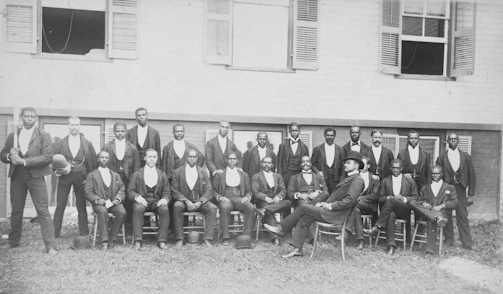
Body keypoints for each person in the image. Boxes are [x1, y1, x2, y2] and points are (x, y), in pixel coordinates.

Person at [264, 151, 365, 258]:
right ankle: (297, 249)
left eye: (348, 163)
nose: (345, 164)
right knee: (305, 217)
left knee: (303, 208)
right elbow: (338, 197)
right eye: (345, 163)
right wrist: (323, 204)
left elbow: (349, 200)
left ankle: (281, 229)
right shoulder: (350, 178)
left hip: (336, 215)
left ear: (356, 165)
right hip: (331, 212)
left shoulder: (358, 180)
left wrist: (329, 206)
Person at [0, 107, 57, 255]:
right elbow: (3, 154)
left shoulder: (43, 135)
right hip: (18, 176)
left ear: (36, 118)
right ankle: (13, 242)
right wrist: (10, 156)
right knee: (16, 210)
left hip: (36, 176)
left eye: (32, 116)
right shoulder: (14, 135)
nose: (30, 118)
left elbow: (47, 157)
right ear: (22, 118)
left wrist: (23, 162)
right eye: (27, 116)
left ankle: (50, 246)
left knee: (43, 210)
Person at [52, 116, 97, 238]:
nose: (74, 127)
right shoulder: (60, 143)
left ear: (80, 126)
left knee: (81, 205)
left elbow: (92, 164)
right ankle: (54, 233)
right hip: (65, 176)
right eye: (72, 125)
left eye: (76, 125)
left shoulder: (87, 143)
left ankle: (83, 232)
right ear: (68, 126)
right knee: (60, 204)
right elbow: (53, 161)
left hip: (81, 176)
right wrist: (61, 170)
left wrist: (89, 179)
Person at [365, 159, 418, 255]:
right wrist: (388, 198)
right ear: (390, 168)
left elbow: (416, 197)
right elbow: (380, 199)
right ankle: (391, 246)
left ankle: (377, 227)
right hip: (388, 211)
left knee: (391, 201)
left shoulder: (410, 181)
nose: (396, 170)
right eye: (394, 168)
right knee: (391, 214)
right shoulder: (385, 181)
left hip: (403, 210)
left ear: (402, 168)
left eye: (398, 168)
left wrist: (404, 199)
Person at [436, 133, 476, 249]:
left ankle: (467, 243)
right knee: (446, 214)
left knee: (462, 215)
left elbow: (472, 176)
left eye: (455, 139)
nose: (453, 141)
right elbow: (437, 176)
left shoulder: (466, 156)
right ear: (447, 141)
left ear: (458, 141)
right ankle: (449, 239)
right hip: (447, 190)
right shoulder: (441, 158)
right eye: (450, 139)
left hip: (461, 189)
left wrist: (471, 194)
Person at [171, 149, 216, 247]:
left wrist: (199, 202)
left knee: (212, 208)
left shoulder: (203, 172)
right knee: (177, 206)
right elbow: (174, 190)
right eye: (190, 156)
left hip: (198, 202)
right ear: (186, 158)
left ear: (197, 158)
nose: (192, 159)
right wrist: (186, 201)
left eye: (194, 157)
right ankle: (179, 238)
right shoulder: (178, 172)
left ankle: (207, 239)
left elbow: (208, 190)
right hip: (184, 202)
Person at [128, 149, 171, 250]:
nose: (152, 159)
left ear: (157, 159)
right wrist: (137, 197)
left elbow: (167, 192)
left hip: (156, 201)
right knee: (138, 208)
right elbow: (130, 191)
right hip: (142, 201)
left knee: (164, 209)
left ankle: (162, 240)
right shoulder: (137, 174)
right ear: (145, 158)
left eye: (154, 157)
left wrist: (165, 199)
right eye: (149, 157)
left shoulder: (162, 175)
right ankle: (138, 240)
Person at [409, 165, 457, 255]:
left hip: (442, 213)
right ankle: (435, 217)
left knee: (431, 220)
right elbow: (419, 200)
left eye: (437, 173)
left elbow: (455, 203)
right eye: (433, 173)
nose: (435, 175)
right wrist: (423, 203)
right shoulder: (425, 188)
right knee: (412, 202)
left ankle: (430, 250)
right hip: (428, 212)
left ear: (441, 174)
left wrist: (442, 206)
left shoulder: (449, 187)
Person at [84, 151, 126, 250]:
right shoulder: (92, 175)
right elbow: (88, 191)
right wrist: (98, 200)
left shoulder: (115, 175)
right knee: (103, 211)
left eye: (106, 158)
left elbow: (122, 188)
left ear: (108, 159)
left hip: (113, 203)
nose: (104, 159)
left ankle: (112, 239)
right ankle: (104, 241)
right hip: (99, 204)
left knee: (122, 212)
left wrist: (116, 200)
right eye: (102, 157)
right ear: (97, 159)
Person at [212, 151, 255, 246]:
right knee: (225, 207)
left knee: (251, 207)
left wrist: (247, 197)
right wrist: (220, 197)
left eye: (234, 159)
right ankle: (225, 237)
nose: (232, 161)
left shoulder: (243, 175)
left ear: (237, 161)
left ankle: (247, 237)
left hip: (239, 198)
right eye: (230, 159)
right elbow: (213, 190)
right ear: (226, 160)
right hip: (226, 198)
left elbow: (249, 190)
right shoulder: (220, 174)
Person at [253, 156, 290, 245]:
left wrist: (278, 197)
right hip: (263, 201)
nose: (267, 164)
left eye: (269, 163)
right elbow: (255, 191)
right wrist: (266, 198)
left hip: (276, 201)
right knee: (267, 208)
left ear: (272, 165)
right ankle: (275, 238)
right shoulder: (256, 176)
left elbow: (283, 190)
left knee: (288, 203)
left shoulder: (278, 176)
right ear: (261, 164)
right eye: (265, 162)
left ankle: (265, 210)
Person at [102, 122, 141, 188]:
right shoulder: (107, 147)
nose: (120, 133)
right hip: (111, 177)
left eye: (122, 131)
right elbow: (102, 163)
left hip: (128, 178)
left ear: (126, 132)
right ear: (114, 132)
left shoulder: (132, 148)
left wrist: (134, 179)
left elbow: (136, 165)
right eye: (117, 131)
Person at [352, 156, 380, 250]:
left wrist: (361, 198)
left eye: (364, 164)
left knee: (353, 205)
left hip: (369, 206)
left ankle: (346, 232)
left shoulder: (374, 178)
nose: (362, 166)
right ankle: (361, 240)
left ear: (368, 165)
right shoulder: (354, 176)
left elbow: (374, 196)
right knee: (355, 210)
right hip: (356, 206)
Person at [311, 127, 344, 194]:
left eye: (331, 135)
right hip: (322, 179)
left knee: (333, 198)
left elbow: (343, 167)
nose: (329, 137)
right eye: (328, 135)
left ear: (334, 136)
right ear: (324, 136)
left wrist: (341, 181)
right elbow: (312, 164)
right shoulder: (318, 149)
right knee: (323, 196)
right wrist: (317, 172)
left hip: (335, 180)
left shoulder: (340, 150)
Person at [277, 122, 309, 187]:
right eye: (292, 131)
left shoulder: (304, 146)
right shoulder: (283, 145)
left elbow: (307, 163)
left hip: (299, 172)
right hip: (286, 173)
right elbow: (279, 162)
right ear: (289, 131)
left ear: (299, 131)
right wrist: (280, 176)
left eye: (296, 130)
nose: (294, 132)